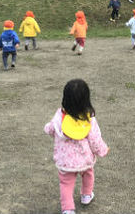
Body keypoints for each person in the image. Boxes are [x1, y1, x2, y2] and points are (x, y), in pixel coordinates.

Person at [44, 79, 109, 214]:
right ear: (86, 99)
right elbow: (95, 139)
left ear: (65, 98)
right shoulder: (89, 118)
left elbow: (51, 129)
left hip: (65, 161)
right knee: (88, 174)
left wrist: (47, 129)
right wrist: (102, 150)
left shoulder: (59, 116)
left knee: (66, 183)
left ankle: (68, 209)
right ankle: (86, 195)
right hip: (84, 159)